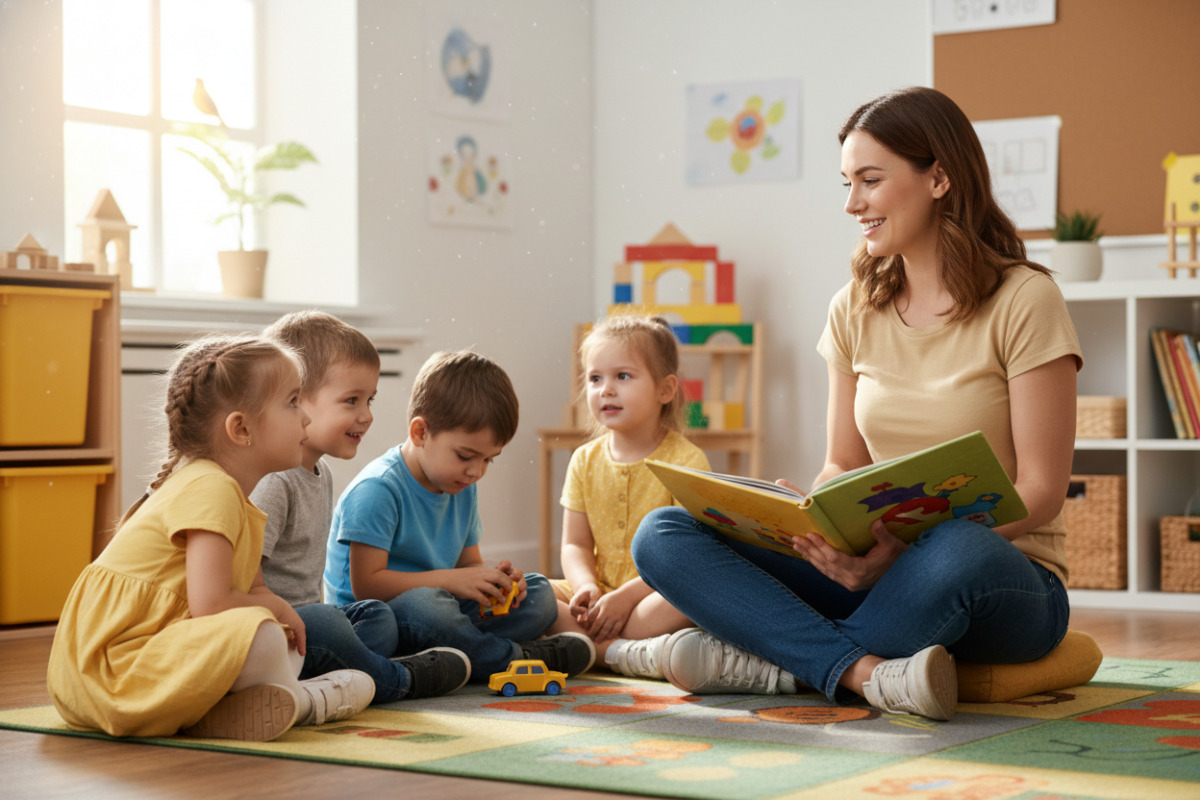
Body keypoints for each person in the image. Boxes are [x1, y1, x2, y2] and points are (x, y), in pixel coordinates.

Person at [632, 86, 1081, 722]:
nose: (852, 204)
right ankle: (865, 672)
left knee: (953, 549)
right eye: (847, 182)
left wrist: (906, 549)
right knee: (665, 531)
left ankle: (771, 661)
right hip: (877, 572)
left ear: (939, 178)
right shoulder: (853, 308)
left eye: (870, 180)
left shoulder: (1024, 300)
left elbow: (1041, 489)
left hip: (1002, 576)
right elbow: (842, 463)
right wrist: (817, 525)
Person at [47, 335, 375, 741]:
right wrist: (274, 611)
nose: (306, 419)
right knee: (264, 633)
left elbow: (249, 586)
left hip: (131, 669)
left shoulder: (235, 498)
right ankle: (304, 703)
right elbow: (213, 604)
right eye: (293, 402)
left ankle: (214, 714)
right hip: (114, 671)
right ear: (241, 428)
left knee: (280, 633)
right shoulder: (211, 487)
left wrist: (275, 608)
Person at [323, 349, 595, 682]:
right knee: (429, 607)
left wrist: (493, 580)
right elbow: (367, 586)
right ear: (420, 433)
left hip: (440, 607)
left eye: (488, 460)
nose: (476, 471)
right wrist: (453, 581)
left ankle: (462, 652)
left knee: (539, 594)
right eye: (466, 455)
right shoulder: (377, 490)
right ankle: (511, 658)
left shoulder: (460, 485)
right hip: (380, 621)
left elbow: (467, 565)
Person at [251, 311, 471, 703]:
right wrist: (288, 620)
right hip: (274, 630)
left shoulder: (322, 473)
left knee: (377, 618)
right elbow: (245, 578)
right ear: (295, 400)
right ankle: (397, 680)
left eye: (368, 399)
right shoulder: (274, 481)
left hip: (309, 626)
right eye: (351, 400)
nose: (366, 415)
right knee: (322, 621)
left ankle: (335, 676)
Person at [546, 315, 710, 678]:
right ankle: (625, 653)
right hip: (598, 593)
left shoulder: (686, 461)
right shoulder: (583, 460)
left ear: (665, 390)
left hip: (653, 595)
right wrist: (586, 586)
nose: (605, 389)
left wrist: (624, 599)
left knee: (690, 596)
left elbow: (688, 559)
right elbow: (574, 545)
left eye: (622, 376)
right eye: (594, 378)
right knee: (534, 593)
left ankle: (596, 649)